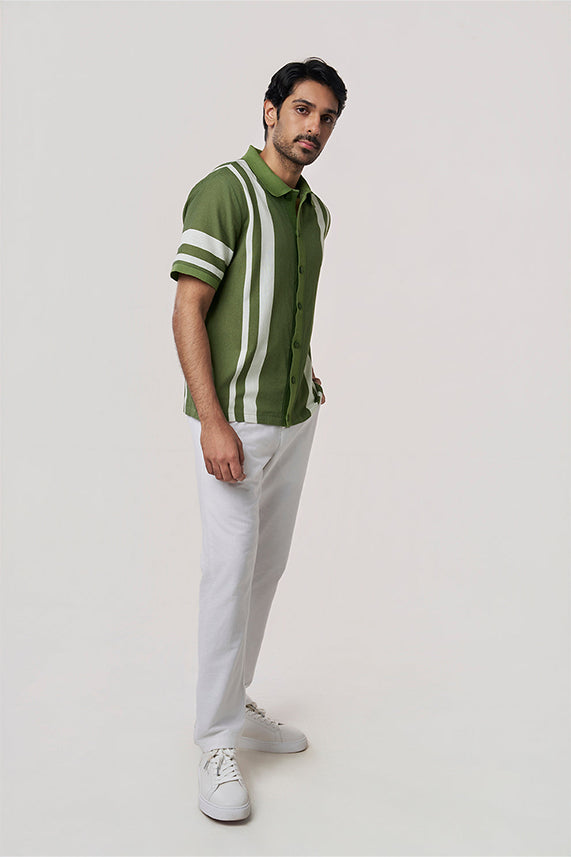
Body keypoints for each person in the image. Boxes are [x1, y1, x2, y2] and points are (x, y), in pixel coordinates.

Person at [170, 57, 347, 822]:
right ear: (270, 110)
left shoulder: (315, 212)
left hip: (294, 416)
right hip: (234, 425)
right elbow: (188, 307)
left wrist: (304, 376)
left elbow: (286, 309)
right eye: (302, 110)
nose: (314, 127)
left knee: (264, 572)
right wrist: (212, 419)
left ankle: (235, 704)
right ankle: (214, 740)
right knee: (227, 576)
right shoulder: (225, 191)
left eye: (327, 118)